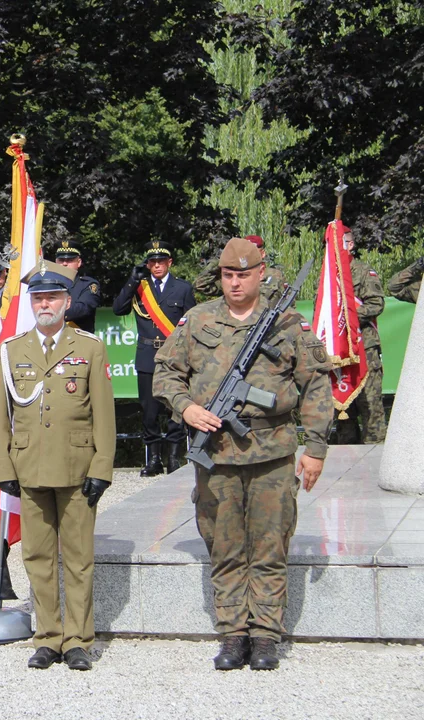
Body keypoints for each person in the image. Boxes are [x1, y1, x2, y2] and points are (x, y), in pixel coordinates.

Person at [153, 237, 333, 671]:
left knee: (270, 546)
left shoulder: (286, 324)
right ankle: (233, 635)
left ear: (260, 273)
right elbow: (164, 373)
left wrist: (316, 448)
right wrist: (188, 408)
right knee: (225, 547)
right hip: (216, 456)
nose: (235, 283)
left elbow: (317, 385)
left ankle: (266, 636)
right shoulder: (197, 320)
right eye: (228, 275)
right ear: (221, 276)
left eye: (244, 274)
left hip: (272, 454)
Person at [0, 261, 115, 671]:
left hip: (78, 468)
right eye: (38, 298)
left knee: (78, 558)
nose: (45, 304)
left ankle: (77, 639)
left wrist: (101, 468)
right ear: (31, 303)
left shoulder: (90, 348)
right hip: (30, 469)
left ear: (66, 303)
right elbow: (1, 417)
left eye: (52, 297)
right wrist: (4, 469)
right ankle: (47, 636)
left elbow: (104, 415)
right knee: (38, 557)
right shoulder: (12, 351)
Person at [112, 240, 196, 475]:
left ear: (169, 262)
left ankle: (173, 457)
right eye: (152, 262)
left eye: (161, 261)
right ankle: (153, 460)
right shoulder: (140, 287)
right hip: (148, 354)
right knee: (149, 410)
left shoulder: (182, 288)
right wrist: (132, 280)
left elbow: (191, 323)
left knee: (175, 407)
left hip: (174, 356)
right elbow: (119, 309)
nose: (156, 265)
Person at [342, 228, 386, 444]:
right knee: (342, 409)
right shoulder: (329, 278)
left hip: (364, 347)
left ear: (350, 245)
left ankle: (375, 454)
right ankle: (344, 462)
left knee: (370, 405)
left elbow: (377, 304)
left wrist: (348, 316)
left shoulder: (362, 271)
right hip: (339, 352)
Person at [194, 235, 287, 302]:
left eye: (254, 252)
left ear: (262, 253)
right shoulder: (233, 277)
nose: (249, 256)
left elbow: (288, 301)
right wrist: (221, 262)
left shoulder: (275, 275)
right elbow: (201, 285)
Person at [54, 241, 101, 333]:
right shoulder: (47, 284)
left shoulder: (88, 284)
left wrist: (51, 314)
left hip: (79, 339)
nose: (64, 264)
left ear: (79, 262)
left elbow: (83, 309)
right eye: (61, 260)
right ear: (56, 261)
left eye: (69, 260)